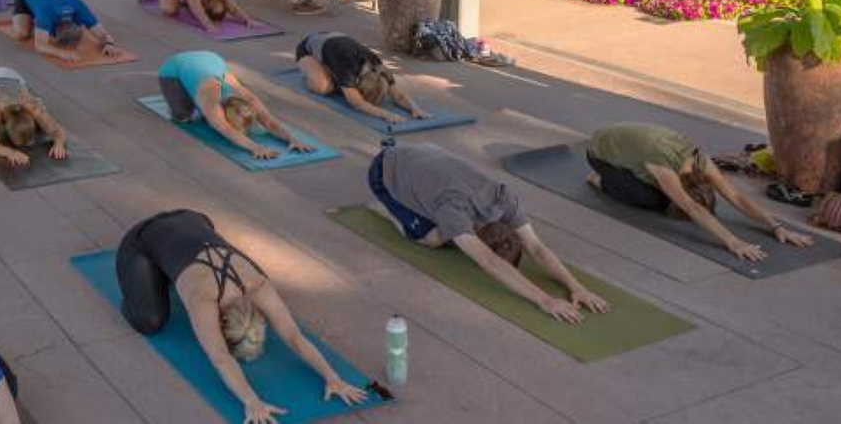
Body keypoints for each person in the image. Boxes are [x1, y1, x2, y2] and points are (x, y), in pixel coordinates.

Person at [117, 210, 367, 424]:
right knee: (150, 321)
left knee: (179, 266)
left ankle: (166, 269)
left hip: (194, 218)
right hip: (142, 239)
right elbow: (220, 357)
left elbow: (293, 336)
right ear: (221, 326)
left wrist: (333, 378)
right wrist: (251, 401)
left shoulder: (257, 283)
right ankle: (149, 276)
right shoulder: (203, 298)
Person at [368, 142, 610, 324]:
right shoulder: (455, 210)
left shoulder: (503, 198)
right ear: (479, 237)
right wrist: (545, 300)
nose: (505, 240)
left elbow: (536, 247)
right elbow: (489, 261)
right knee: (433, 239)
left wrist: (576, 287)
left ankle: (412, 197)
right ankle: (389, 210)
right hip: (384, 170)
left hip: (424, 154)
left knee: (448, 229)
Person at [586, 123, 816, 262]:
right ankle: (600, 180)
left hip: (632, 144)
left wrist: (776, 226)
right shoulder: (664, 168)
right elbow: (690, 206)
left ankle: (633, 171)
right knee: (651, 199)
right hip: (599, 154)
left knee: (660, 190)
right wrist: (733, 242)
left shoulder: (700, 160)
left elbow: (735, 196)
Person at [158, 51, 315, 160]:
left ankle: (200, 102)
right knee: (183, 117)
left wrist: (292, 139)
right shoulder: (209, 97)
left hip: (208, 58)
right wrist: (255, 147)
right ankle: (189, 98)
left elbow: (269, 121)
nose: (244, 132)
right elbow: (224, 128)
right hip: (174, 67)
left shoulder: (247, 97)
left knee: (209, 114)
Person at [295, 32, 431, 124]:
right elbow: (357, 103)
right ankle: (311, 68)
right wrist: (386, 115)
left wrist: (414, 108)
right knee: (324, 87)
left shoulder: (378, 67)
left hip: (337, 39)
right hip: (308, 47)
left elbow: (397, 94)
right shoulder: (347, 70)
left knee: (337, 81)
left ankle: (327, 69)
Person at [11, 0, 120, 62]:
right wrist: (62, 53)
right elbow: (39, 45)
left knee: (40, 15)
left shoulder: (79, 7)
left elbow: (103, 34)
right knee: (22, 34)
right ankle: (31, 11)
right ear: (52, 34)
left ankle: (35, 14)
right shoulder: (47, 13)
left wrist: (109, 44)